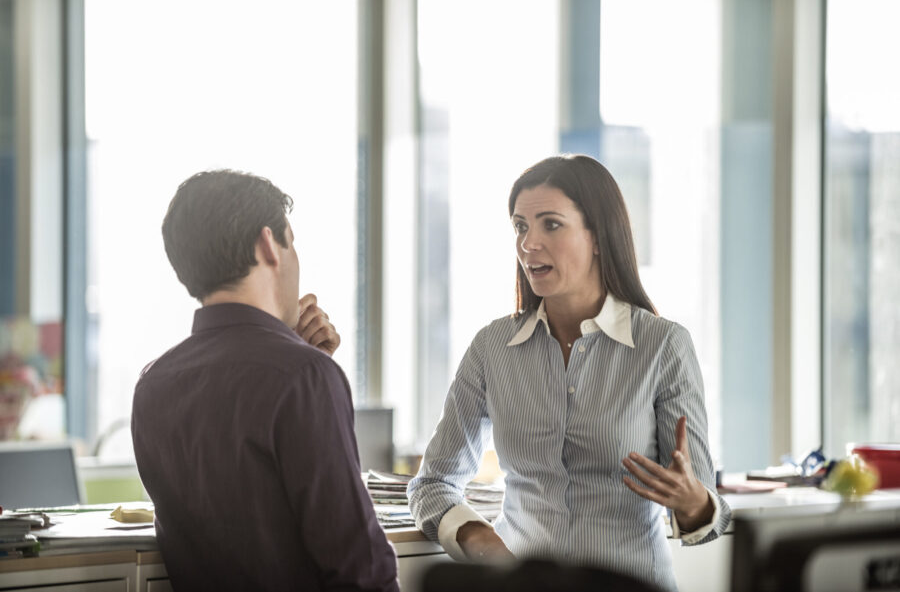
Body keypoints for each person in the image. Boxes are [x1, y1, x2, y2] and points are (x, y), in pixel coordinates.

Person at [407, 155, 731, 592]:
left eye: (550, 225)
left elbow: (706, 519)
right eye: (521, 227)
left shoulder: (663, 346)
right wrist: (484, 542)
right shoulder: (491, 348)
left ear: (598, 236)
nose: (528, 244)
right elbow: (432, 485)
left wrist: (694, 502)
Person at [132, 170, 399, 592]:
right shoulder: (304, 376)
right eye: (292, 241)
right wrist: (312, 371)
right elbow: (360, 570)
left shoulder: (153, 384)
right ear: (268, 245)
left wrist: (302, 359)